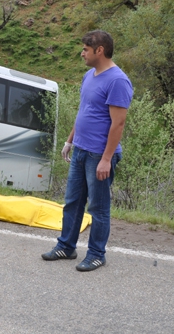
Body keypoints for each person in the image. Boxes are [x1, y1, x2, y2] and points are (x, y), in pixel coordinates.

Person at [42, 30, 133, 272]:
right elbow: (85, 111)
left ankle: (96, 254)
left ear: (99, 50)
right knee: (72, 202)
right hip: (81, 150)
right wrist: (70, 141)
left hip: (99, 156)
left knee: (98, 208)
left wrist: (106, 159)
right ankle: (66, 246)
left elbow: (118, 123)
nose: (82, 53)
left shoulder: (118, 81)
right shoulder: (89, 75)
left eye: (85, 49)